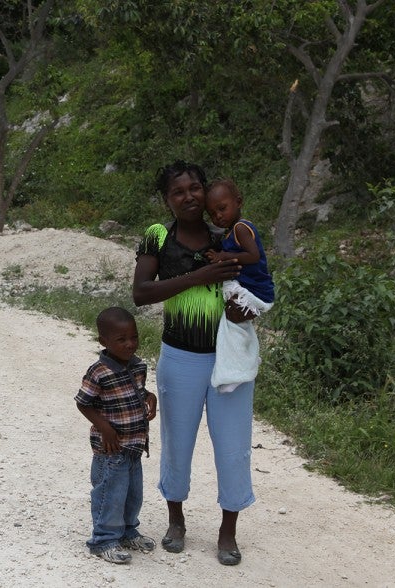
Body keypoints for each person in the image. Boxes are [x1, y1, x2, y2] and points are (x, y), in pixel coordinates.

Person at [132, 161, 255, 566]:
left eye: (195, 188)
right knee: (177, 442)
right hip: (180, 357)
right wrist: (198, 275)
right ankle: (176, 521)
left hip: (229, 359)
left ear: (207, 192)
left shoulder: (230, 234)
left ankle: (227, 531)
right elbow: (142, 293)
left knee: (234, 448)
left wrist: (248, 309)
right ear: (166, 199)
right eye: (178, 191)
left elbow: (256, 286)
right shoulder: (158, 237)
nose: (189, 197)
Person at [75, 307, 158, 564]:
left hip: (134, 446)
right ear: (104, 342)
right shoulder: (98, 372)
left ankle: (127, 531)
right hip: (110, 450)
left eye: (134, 337)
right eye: (121, 340)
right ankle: (104, 539)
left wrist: (150, 398)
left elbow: (139, 392)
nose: (129, 344)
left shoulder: (138, 366)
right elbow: (83, 403)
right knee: (110, 493)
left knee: (133, 494)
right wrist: (104, 427)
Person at [204, 179, 275, 393]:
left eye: (222, 208)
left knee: (231, 327)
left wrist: (224, 256)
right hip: (250, 287)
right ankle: (239, 368)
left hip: (254, 289)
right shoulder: (231, 231)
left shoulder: (241, 228)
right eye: (213, 214)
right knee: (235, 327)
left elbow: (253, 256)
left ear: (239, 202)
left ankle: (236, 372)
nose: (218, 216)